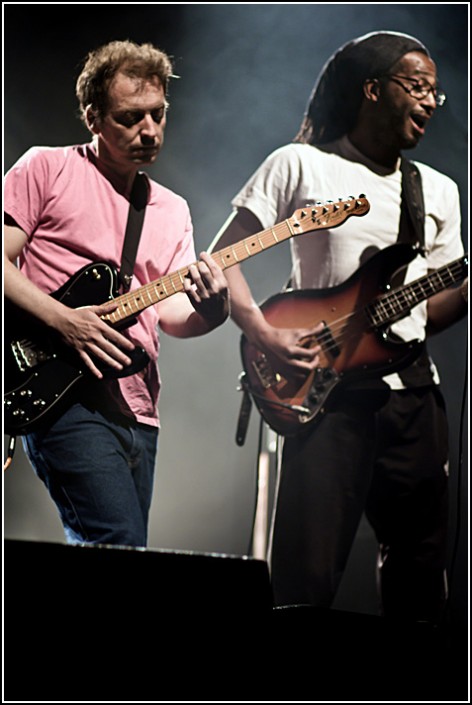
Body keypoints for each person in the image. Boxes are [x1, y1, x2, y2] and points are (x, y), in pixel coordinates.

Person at [209, 31, 468, 625]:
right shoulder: (301, 164)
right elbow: (221, 259)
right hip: (328, 400)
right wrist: (265, 335)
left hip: (412, 398)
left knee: (421, 578)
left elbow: (429, 311)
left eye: (437, 92)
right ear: (372, 89)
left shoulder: (438, 190)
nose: (430, 101)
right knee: (305, 576)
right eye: (417, 87)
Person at [4, 40, 229, 548]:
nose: (148, 131)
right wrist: (66, 320)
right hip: (64, 395)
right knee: (117, 544)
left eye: (157, 115)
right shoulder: (46, 168)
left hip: (138, 408)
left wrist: (213, 311)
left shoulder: (171, 209)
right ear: (93, 117)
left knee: (122, 555)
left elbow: (171, 313)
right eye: (130, 118)